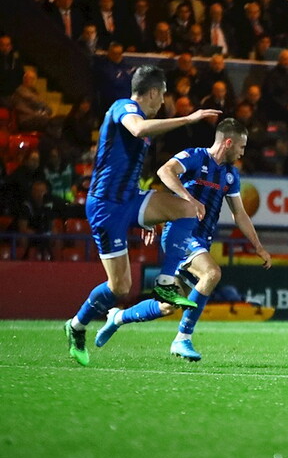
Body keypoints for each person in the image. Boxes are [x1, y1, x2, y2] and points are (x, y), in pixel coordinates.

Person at [64, 65, 221, 367]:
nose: (162, 102)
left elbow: (129, 162)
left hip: (131, 198)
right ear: (152, 92)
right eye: (162, 96)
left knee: (188, 207)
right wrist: (188, 118)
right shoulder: (124, 107)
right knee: (120, 287)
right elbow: (137, 129)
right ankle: (77, 325)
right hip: (106, 207)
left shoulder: (143, 118)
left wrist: (149, 215)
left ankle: (165, 281)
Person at [94, 118, 271, 361]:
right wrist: (189, 199)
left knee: (167, 306)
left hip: (202, 240)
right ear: (228, 143)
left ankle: (117, 317)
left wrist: (258, 246)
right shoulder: (195, 157)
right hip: (180, 235)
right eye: (241, 146)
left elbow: (239, 213)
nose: (243, 152)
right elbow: (164, 171)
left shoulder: (231, 175)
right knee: (212, 273)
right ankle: (182, 339)